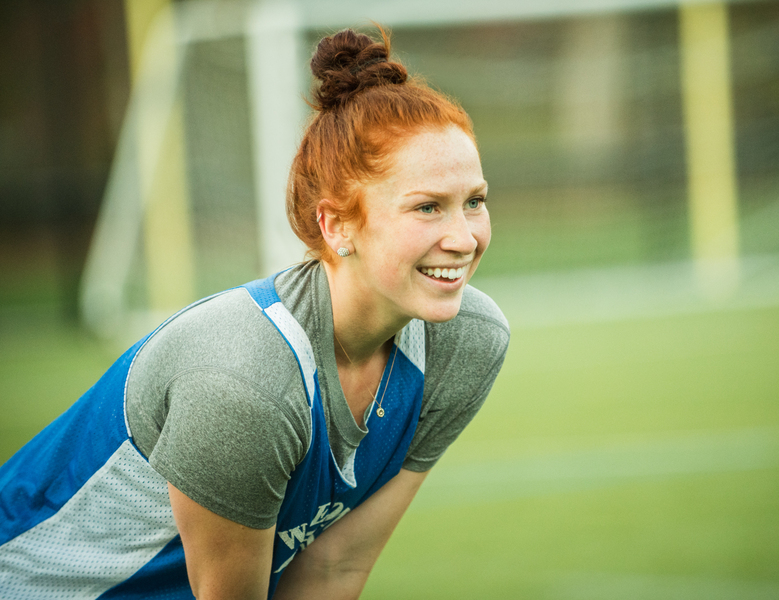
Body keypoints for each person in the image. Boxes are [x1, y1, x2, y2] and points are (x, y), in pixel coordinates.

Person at [0, 27, 509, 599]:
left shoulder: (466, 341)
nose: (464, 238)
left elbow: (335, 567)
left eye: (474, 201)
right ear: (336, 225)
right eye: (427, 207)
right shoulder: (245, 380)